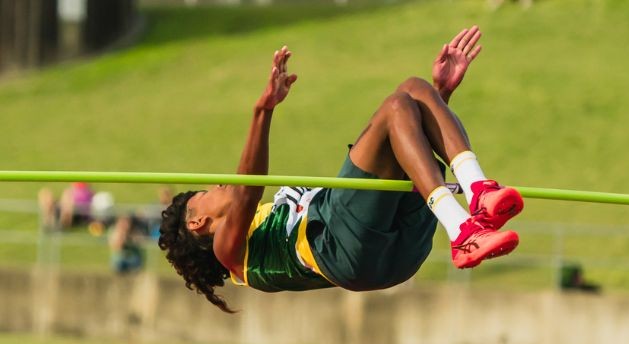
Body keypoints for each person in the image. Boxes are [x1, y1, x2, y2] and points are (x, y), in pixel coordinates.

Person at [159, 26, 524, 313]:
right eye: (205, 193)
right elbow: (247, 190)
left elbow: (408, 153)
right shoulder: (230, 252)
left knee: (417, 91)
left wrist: (439, 98)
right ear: (197, 223)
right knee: (398, 103)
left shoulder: (257, 222)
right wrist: (263, 110)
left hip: (394, 253)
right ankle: (462, 228)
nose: (219, 184)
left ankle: (477, 195)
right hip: (340, 246)